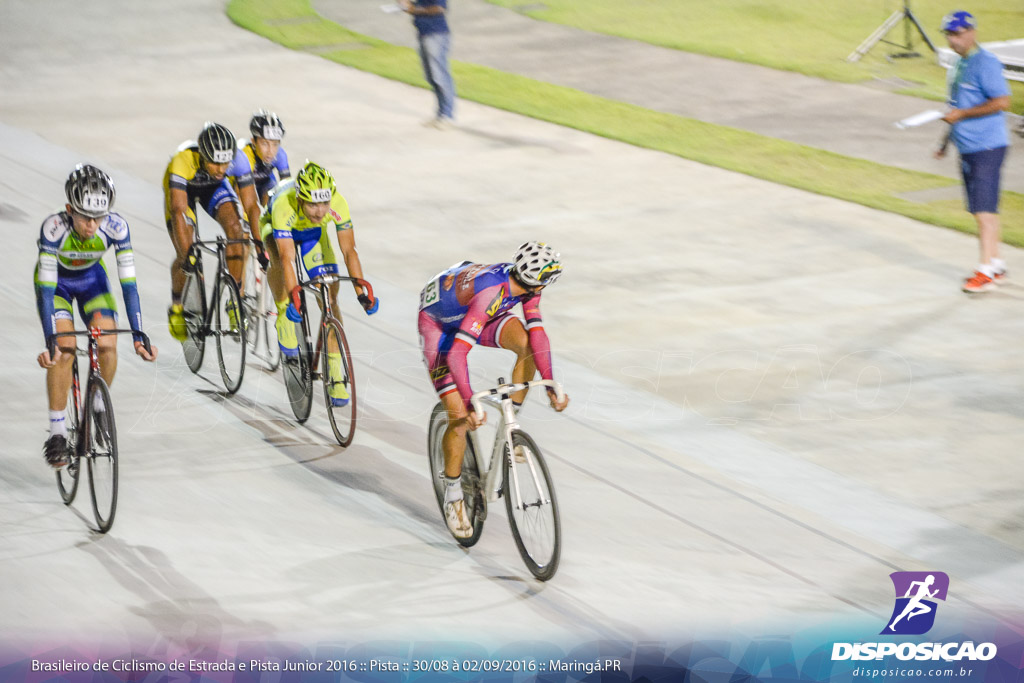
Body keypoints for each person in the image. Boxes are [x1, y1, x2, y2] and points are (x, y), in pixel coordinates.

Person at [417, 242, 570, 538]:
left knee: (525, 345)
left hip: (477, 312)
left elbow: (537, 334)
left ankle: (509, 431)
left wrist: (550, 381)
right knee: (459, 416)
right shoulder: (492, 293)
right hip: (439, 325)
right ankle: (452, 495)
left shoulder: (528, 287)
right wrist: (469, 402)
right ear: (535, 277)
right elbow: (456, 354)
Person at [34, 165, 158, 468]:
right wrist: (50, 341)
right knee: (64, 350)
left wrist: (140, 334)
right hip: (57, 286)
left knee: (108, 344)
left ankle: (98, 406)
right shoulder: (53, 229)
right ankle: (58, 432)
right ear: (69, 210)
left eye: (98, 218)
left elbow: (129, 284)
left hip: (92, 282)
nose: (92, 225)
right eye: (84, 217)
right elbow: (46, 292)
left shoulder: (117, 227)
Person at [259, 161, 379, 406]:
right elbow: (287, 258)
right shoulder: (285, 205)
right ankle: (283, 317)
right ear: (301, 199)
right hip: (278, 229)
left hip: (314, 236)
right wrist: (293, 298)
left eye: (324, 203)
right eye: (313, 204)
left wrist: (361, 292)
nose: (320, 211)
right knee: (282, 267)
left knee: (330, 299)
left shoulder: (338, 204)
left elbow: (349, 251)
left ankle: (335, 373)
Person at [934, 10, 1011, 294]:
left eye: (958, 33)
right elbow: (955, 107)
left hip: (987, 146)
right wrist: (945, 142)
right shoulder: (958, 64)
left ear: (972, 32)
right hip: (967, 146)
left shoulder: (985, 63)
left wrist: (963, 115)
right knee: (985, 209)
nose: (953, 39)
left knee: (982, 211)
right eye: (949, 34)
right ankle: (997, 264)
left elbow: (1002, 101)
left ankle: (984, 271)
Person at [164, 122, 262, 340]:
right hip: (183, 193)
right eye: (215, 163)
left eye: (225, 163)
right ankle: (177, 305)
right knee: (185, 250)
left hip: (213, 189)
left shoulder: (236, 161)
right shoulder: (182, 162)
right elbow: (179, 210)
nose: (221, 169)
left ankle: (235, 302)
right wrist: (187, 254)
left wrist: (260, 243)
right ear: (202, 156)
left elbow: (252, 207)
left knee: (237, 229)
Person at [236, 109, 291, 295]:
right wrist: (246, 223)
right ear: (254, 141)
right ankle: (238, 294)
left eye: (275, 144)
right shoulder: (244, 156)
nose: (270, 151)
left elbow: (286, 191)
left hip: (265, 184)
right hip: (242, 186)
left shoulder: (280, 156)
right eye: (265, 144)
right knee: (244, 235)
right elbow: (244, 200)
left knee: (276, 200)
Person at [399, 0, 456, 128]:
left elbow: (439, 8)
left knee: (440, 76)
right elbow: (411, 5)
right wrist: (404, 3)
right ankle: (440, 115)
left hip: (436, 34)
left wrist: (414, 10)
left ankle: (447, 116)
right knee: (431, 77)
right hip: (423, 34)